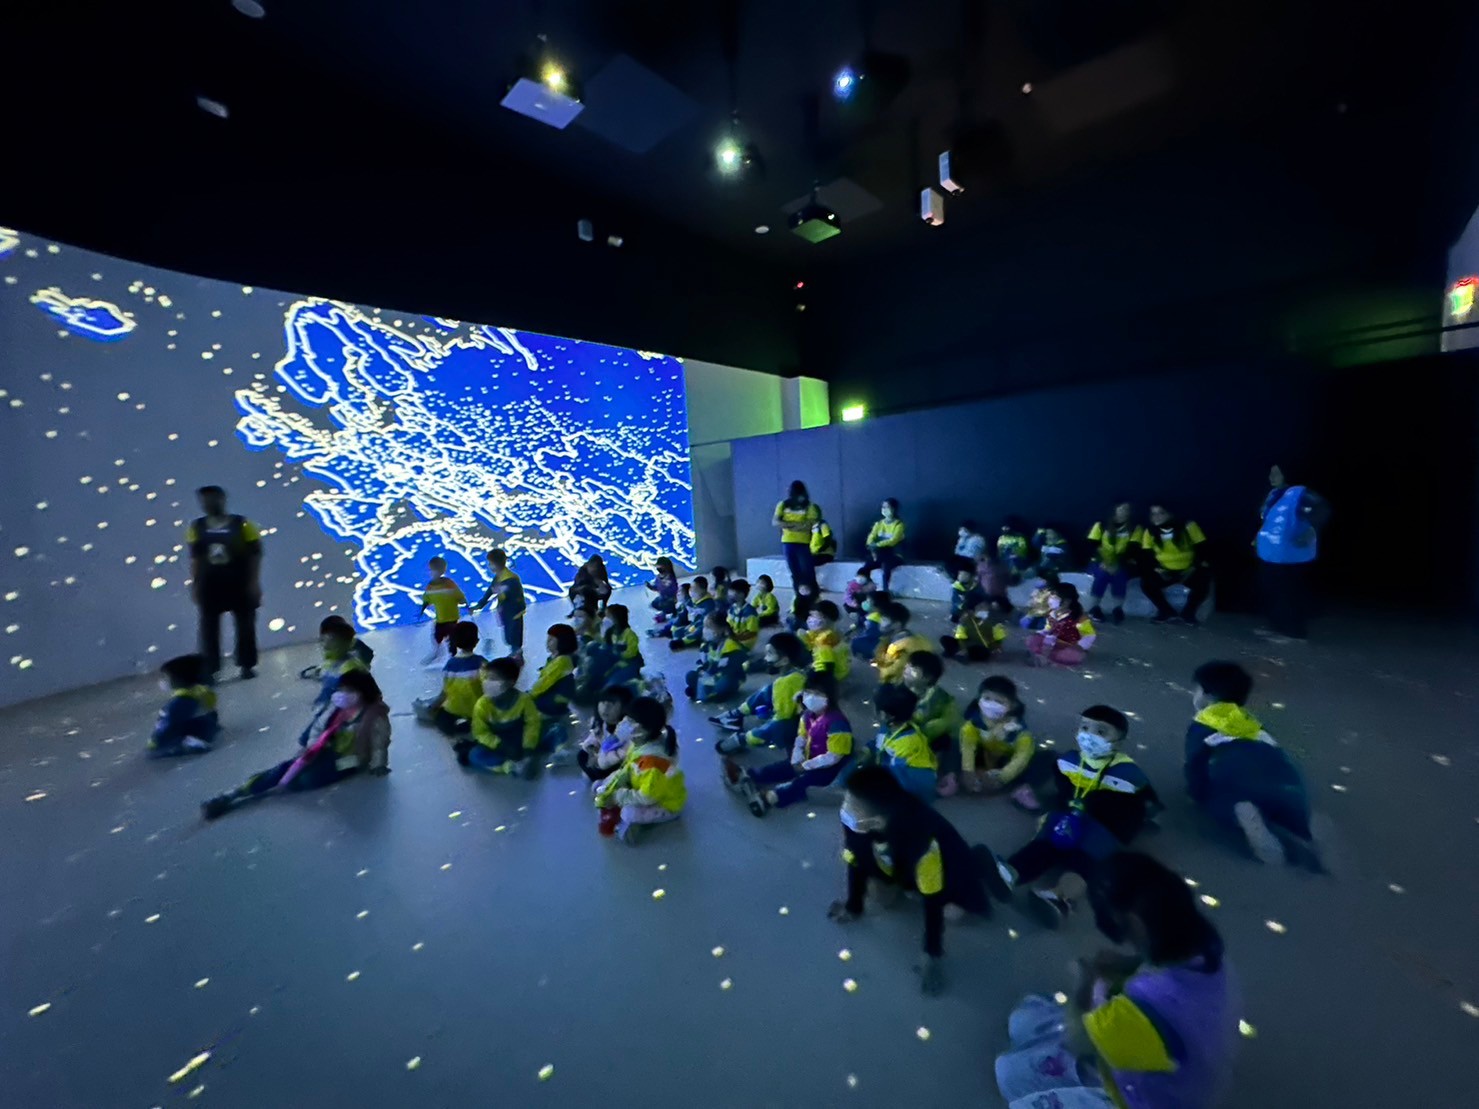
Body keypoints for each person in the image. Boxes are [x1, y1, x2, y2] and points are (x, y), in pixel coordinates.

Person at [995, 852, 1238, 1109]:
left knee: (1009, 1076)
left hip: (1148, 1097)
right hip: (1178, 1063)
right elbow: (1162, 970)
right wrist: (1128, 964)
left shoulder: (1145, 1010)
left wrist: (1086, 982)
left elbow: (1081, 1041)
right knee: (1023, 1021)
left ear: (1133, 924)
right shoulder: (1204, 945)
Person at [828, 765, 1010, 996]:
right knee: (882, 899)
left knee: (953, 913)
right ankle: (905, 881)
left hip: (946, 864)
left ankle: (980, 859)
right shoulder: (857, 823)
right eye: (847, 800)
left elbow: (933, 901)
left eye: (852, 807)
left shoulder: (923, 842)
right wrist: (854, 906)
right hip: (896, 861)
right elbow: (854, 858)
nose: (845, 810)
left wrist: (931, 954)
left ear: (877, 820)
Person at [996, 706, 1160, 928]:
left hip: (1105, 825)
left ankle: (1060, 898)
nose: (1089, 736)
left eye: (1101, 732)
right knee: (1044, 845)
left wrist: (1137, 824)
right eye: (1084, 728)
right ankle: (1010, 873)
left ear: (1118, 743)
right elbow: (1063, 787)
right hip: (1069, 816)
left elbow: (1145, 804)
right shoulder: (1069, 761)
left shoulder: (1128, 775)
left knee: (1084, 862)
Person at [201, 669, 390, 819]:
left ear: (363, 693)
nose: (343, 695)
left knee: (308, 778)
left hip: (351, 760)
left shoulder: (373, 717)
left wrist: (378, 763)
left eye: (349, 691)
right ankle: (234, 794)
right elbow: (318, 727)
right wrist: (313, 746)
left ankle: (277, 784)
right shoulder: (337, 710)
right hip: (327, 750)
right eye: (342, 690)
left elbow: (379, 742)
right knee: (285, 768)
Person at [1186, 661, 1320, 869]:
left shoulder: (1203, 723)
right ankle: (1307, 832)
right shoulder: (1250, 721)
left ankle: (1246, 812)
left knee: (1227, 800)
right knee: (1286, 807)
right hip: (1279, 772)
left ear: (1205, 694)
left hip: (1236, 774)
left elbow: (1196, 766)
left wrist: (1198, 796)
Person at [726, 672, 854, 815]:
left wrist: (806, 766)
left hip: (828, 768)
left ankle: (771, 797)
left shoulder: (837, 724)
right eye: (809, 692)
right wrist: (796, 757)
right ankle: (749, 776)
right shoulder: (807, 715)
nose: (811, 697)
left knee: (803, 783)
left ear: (830, 697)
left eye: (818, 694)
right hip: (808, 757)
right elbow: (801, 737)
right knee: (784, 767)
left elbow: (834, 757)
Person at [186, 485, 263, 681]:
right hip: (210, 586)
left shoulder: (243, 524)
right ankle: (211, 668)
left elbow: (255, 555)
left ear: (222, 499)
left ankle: (246, 664)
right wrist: (195, 584)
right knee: (209, 629)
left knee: (246, 626)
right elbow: (195, 558)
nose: (208, 504)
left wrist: (254, 583)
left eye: (213, 499)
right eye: (204, 500)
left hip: (239, 583)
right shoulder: (196, 527)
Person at [593, 696, 686, 843]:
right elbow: (628, 768)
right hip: (646, 784)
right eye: (626, 718)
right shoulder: (639, 742)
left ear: (645, 729)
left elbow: (648, 797)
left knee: (629, 813)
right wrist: (613, 785)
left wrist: (618, 796)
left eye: (631, 721)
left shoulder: (653, 762)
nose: (623, 724)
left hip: (666, 802)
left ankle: (633, 825)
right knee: (603, 784)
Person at [1256, 465, 1330, 641]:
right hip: (1273, 554)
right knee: (1273, 591)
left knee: (1290, 593)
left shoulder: (1300, 492)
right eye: (1270, 473)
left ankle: (1295, 632)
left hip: (1292, 554)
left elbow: (1322, 509)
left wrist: (1310, 531)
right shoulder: (1273, 495)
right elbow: (1269, 520)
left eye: (1276, 473)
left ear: (1286, 473)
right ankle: (1277, 627)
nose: (1271, 476)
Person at [712, 632, 808, 754]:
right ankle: (736, 715)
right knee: (767, 690)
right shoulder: (795, 674)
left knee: (777, 725)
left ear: (784, 660)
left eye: (770, 654)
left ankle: (741, 739)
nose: (766, 658)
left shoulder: (786, 683)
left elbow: (783, 717)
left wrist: (768, 717)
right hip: (797, 717)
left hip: (798, 726)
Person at [456, 657, 541, 778]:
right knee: (475, 755)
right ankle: (510, 767)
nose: (486, 682)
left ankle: (533, 756)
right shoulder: (482, 705)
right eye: (486, 678)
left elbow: (532, 724)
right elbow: (480, 733)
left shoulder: (524, 700)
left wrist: (528, 747)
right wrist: (500, 746)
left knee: (548, 729)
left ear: (510, 682)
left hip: (520, 739)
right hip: (497, 744)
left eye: (493, 679)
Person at [958, 675, 1042, 798]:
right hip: (983, 755)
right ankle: (965, 778)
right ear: (979, 699)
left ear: (1012, 706)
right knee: (954, 744)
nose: (991, 705)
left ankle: (1020, 789)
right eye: (987, 698)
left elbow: (1020, 759)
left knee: (1041, 760)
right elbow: (968, 748)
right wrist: (968, 772)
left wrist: (1002, 778)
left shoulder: (1020, 733)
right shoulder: (973, 724)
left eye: (999, 702)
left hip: (1006, 762)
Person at [902, 652, 965, 797]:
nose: (906, 669)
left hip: (934, 735)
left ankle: (947, 775)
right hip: (914, 735)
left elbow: (949, 721)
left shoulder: (939, 697)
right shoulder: (902, 689)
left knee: (950, 743)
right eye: (907, 665)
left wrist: (924, 731)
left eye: (913, 668)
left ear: (928, 678)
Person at [1137, 505, 1211, 626]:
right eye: (1153, 514)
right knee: (1146, 583)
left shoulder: (1188, 526)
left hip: (1188, 570)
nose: (1157, 517)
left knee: (1204, 580)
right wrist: (1158, 569)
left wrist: (1194, 567)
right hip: (1165, 571)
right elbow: (1146, 555)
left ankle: (1188, 613)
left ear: (1170, 514)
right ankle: (1166, 612)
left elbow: (1203, 547)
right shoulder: (1149, 531)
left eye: (1161, 513)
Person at [863, 683, 937, 803]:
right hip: (900, 771)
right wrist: (867, 749)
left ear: (885, 715)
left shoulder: (907, 742)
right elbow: (879, 743)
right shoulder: (889, 727)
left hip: (916, 782)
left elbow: (896, 774)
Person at [414, 620, 485, 736]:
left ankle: (456, 728)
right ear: (476, 641)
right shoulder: (482, 663)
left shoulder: (450, 665)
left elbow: (444, 693)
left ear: (454, 642)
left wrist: (432, 707)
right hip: (478, 710)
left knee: (440, 716)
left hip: (455, 709)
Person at [149, 654, 218, 756]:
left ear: (178, 679)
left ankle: (189, 743)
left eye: (167, 677)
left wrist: (155, 742)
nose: (164, 681)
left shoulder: (180, 701)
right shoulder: (202, 692)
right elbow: (212, 711)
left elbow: (169, 723)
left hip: (189, 733)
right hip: (206, 727)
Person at [529, 623, 580, 752]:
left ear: (562, 642)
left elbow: (544, 683)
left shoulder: (562, 661)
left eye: (551, 640)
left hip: (553, 700)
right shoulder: (554, 659)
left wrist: (529, 695)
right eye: (548, 639)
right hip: (552, 697)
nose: (547, 642)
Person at [1087, 502, 1139, 624]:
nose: (1124, 512)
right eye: (1121, 509)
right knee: (1102, 574)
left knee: (1120, 574)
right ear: (1115, 510)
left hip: (1121, 562)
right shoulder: (1101, 525)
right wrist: (1104, 561)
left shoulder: (1135, 528)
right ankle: (1094, 608)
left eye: (1127, 510)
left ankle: (1117, 609)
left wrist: (1117, 564)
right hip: (1100, 561)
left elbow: (1133, 549)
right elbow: (1092, 545)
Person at [1026, 582, 1097, 667]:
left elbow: (1090, 635)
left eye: (1054, 597)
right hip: (1053, 643)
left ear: (1067, 601)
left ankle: (1046, 659)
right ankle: (1044, 657)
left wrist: (1080, 646)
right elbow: (1049, 628)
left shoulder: (1078, 617)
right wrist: (1041, 633)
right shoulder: (1053, 614)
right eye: (1051, 597)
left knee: (1068, 655)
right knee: (1032, 639)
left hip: (1069, 646)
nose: (1051, 600)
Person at [471, 548, 525, 659]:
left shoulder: (511, 578)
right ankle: (515, 653)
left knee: (514, 635)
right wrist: (479, 606)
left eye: (491, 563)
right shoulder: (498, 577)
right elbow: (490, 592)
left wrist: (502, 591)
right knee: (508, 636)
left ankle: (518, 656)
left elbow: (513, 595)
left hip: (514, 612)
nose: (489, 566)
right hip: (505, 611)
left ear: (497, 564)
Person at [581, 604, 644, 697]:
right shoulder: (610, 632)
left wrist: (617, 654)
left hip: (629, 663)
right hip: (615, 661)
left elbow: (631, 653)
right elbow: (605, 646)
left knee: (613, 683)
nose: (605, 619)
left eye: (608, 616)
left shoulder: (629, 634)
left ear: (617, 618)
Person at [577, 685, 636, 783]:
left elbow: (621, 755)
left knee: (609, 769)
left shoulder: (628, 729)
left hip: (620, 763)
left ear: (624, 706)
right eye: (602, 702)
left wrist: (598, 761)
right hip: (603, 757)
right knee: (582, 755)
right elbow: (594, 737)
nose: (605, 708)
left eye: (612, 704)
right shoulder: (601, 723)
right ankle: (599, 779)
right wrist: (592, 752)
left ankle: (607, 781)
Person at [684, 614, 747, 704]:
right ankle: (706, 689)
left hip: (728, 677)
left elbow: (732, 669)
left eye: (709, 627)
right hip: (712, 676)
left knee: (724, 682)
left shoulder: (731, 645)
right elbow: (706, 662)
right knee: (690, 675)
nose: (705, 630)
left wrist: (712, 677)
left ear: (721, 630)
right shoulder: (708, 644)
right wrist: (702, 670)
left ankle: (711, 691)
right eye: (705, 627)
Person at [773, 480, 822, 591]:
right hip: (788, 543)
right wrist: (797, 525)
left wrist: (787, 525)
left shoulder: (810, 506)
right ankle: (799, 596)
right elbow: (775, 522)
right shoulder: (783, 505)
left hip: (804, 543)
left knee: (807, 571)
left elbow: (810, 524)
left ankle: (813, 595)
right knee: (794, 572)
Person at [419, 556, 466, 665]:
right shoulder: (430, 586)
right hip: (440, 618)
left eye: (433, 570)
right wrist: (423, 608)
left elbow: (459, 596)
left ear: (442, 570)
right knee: (437, 636)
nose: (432, 573)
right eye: (431, 570)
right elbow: (427, 598)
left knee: (452, 639)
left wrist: (464, 602)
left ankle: (453, 657)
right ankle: (437, 652)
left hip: (452, 618)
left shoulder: (449, 584)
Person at [872, 601, 932, 685]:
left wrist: (880, 667)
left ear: (897, 624)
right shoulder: (893, 638)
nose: (880, 623)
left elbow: (892, 672)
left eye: (884, 620)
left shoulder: (903, 647)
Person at [858, 498, 906, 591]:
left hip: (894, 555)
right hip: (880, 554)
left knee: (886, 566)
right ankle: (868, 588)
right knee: (865, 567)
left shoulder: (899, 524)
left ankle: (885, 591)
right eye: (883, 507)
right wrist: (871, 544)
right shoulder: (879, 524)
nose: (884, 509)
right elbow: (871, 537)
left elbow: (893, 541)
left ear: (894, 509)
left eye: (887, 507)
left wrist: (877, 545)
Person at [802, 599, 850, 680]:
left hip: (834, 674)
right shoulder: (832, 632)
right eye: (810, 615)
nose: (810, 619)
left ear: (827, 619)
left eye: (815, 616)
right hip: (841, 667)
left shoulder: (824, 642)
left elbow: (827, 667)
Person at [942, 603, 1007, 662]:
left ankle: (957, 654)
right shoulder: (966, 621)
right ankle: (960, 654)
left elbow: (999, 638)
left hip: (982, 647)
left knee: (982, 652)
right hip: (967, 645)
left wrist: (996, 648)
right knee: (944, 639)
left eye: (985, 610)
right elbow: (960, 637)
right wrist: (963, 648)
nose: (982, 611)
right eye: (980, 609)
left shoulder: (993, 622)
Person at [668, 577, 716, 650]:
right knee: (677, 631)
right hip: (692, 625)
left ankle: (683, 642)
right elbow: (683, 614)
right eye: (691, 588)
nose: (691, 590)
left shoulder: (709, 604)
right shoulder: (691, 600)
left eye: (694, 588)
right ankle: (679, 639)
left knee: (700, 631)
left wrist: (694, 626)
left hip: (703, 626)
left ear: (703, 589)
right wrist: (675, 626)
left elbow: (706, 621)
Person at [849, 588, 891, 659]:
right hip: (883, 642)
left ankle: (867, 656)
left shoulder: (873, 620)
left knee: (854, 641)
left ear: (877, 607)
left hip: (877, 645)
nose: (865, 603)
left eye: (868, 602)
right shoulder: (883, 615)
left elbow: (869, 635)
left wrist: (856, 637)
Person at [948, 556, 987, 623]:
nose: (962, 576)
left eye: (965, 574)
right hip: (963, 606)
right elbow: (957, 602)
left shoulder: (978, 586)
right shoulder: (957, 587)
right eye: (960, 573)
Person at [725, 578, 760, 650]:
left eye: (732, 593)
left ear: (741, 594)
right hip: (734, 638)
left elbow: (752, 633)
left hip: (745, 642)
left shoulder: (750, 612)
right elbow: (729, 624)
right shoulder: (732, 608)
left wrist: (736, 638)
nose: (729, 596)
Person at [997, 518, 1032, 582]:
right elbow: (1000, 552)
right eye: (1003, 527)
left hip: (1019, 558)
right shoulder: (1001, 538)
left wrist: (1015, 552)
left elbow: (1023, 551)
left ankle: (1016, 575)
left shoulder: (1020, 537)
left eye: (1006, 527)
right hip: (1006, 559)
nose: (1005, 529)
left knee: (1013, 560)